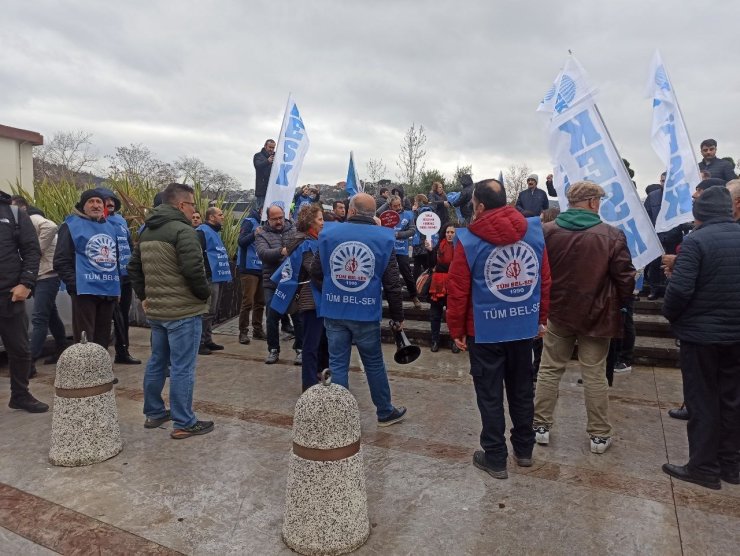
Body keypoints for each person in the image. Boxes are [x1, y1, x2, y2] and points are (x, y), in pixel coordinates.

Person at [448, 179, 551, 479]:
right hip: (522, 327)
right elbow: (543, 280)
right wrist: (540, 319)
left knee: (490, 395)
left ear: (479, 206)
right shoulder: (534, 233)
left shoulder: (467, 241)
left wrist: (456, 330)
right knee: (521, 391)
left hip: (483, 331)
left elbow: (458, 291)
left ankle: (494, 456)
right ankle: (524, 450)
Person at [532, 181, 634, 454]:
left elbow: (538, 272)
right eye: (598, 199)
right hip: (597, 316)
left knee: (550, 369)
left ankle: (540, 426)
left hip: (559, 312)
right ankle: (599, 435)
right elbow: (625, 278)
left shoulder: (547, 232)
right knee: (594, 374)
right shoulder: (611, 235)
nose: (599, 203)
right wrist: (621, 305)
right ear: (591, 202)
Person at [661, 186, 740, 489]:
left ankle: (704, 467)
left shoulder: (696, 242)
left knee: (703, 400)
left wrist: (672, 315)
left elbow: (680, 290)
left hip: (702, 337)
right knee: (732, 399)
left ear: (699, 213)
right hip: (736, 335)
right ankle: (730, 466)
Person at [310, 193, 407, 426]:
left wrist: (333, 290)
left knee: (338, 363)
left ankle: (340, 417)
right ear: (373, 214)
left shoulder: (328, 233)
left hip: (334, 309)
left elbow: (314, 271)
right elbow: (393, 283)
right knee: (373, 362)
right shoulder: (384, 238)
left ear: (351, 211)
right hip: (365, 311)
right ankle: (384, 411)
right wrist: (397, 316)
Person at [128, 182, 214, 440]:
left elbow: (133, 268)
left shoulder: (147, 231)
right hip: (183, 312)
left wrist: (145, 296)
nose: (193, 210)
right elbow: (193, 270)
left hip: (157, 312)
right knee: (182, 368)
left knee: (157, 362)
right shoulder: (183, 231)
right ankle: (184, 422)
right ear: (181, 205)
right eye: (192, 205)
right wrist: (203, 294)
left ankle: (154, 412)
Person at [0, 190, 48, 412]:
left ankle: (20, 395)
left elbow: (31, 250)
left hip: (9, 294)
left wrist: (26, 283)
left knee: (20, 349)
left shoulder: (13, 213)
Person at [54, 189, 121, 347]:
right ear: (82, 206)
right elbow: (60, 260)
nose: (96, 205)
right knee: (85, 340)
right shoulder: (70, 226)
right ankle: (84, 371)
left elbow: (114, 259)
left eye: (99, 202)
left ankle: (101, 370)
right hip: (85, 292)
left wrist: (117, 289)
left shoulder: (110, 228)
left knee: (103, 339)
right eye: (91, 202)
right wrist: (76, 284)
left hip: (108, 291)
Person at [10, 196, 66, 374]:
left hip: (48, 275)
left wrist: (36, 250)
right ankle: (62, 349)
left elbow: (51, 226)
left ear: (23, 207)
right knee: (51, 316)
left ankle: (29, 363)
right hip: (40, 275)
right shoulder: (22, 223)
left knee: (39, 317)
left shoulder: (31, 218)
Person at [255, 204, 303, 365]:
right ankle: (273, 349)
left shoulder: (295, 230)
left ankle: (300, 349)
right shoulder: (261, 234)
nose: (278, 221)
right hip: (272, 282)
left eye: (280, 217)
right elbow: (263, 254)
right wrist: (282, 251)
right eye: (274, 218)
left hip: (292, 281)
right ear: (268, 219)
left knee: (297, 316)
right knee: (271, 317)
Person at [98, 188, 141, 365]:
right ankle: (100, 360)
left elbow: (129, 245)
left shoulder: (121, 220)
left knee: (123, 316)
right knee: (106, 319)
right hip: (107, 277)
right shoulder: (98, 221)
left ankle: (123, 352)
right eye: (105, 200)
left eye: (112, 200)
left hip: (125, 276)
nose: (110, 203)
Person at [289, 205, 328, 391]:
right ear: (311, 222)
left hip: (317, 298)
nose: (323, 223)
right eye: (320, 219)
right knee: (311, 344)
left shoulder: (312, 240)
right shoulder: (305, 244)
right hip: (310, 299)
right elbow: (313, 269)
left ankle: (318, 375)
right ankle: (309, 384)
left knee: (319, 342)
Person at [196, 206, 232, 355]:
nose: (223, 217)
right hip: (208, 277)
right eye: (220, 214)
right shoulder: (202, 232)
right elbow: (198, 253)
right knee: (206, 311)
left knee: (212, 311)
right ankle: (200, 342)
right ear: (211, 217)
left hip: (216, 276)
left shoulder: (214, 232)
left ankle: (208, 340)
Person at [643, 172, 685, 300]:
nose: (664, 183)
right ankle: (654, 289)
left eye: (667, 181)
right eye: (662, 181)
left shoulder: (680, 196)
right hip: (657, 237)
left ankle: (670, 290)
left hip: (674, 236)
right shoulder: (652, 196)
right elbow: (647, 216)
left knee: (673, 264)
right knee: (655, 265)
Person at [382, 195, 420, 309]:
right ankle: (387, 298)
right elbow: (378, 214)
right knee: (388, 274)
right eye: (395, 206)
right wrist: (386, 207)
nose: (398, 207)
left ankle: (414, 296)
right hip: (389, 249)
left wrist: (400, 235)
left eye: (399, 205)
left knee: (407, 273)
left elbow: (413, 230)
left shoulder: (408, 214)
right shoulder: (386, 215)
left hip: (402, 249)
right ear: (390, 206)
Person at [427, 224, 459, 354]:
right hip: (438, 285)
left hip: (454, 286)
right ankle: (435, 340)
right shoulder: (438, 246)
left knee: (454, 316)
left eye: (452, 232)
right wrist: (429, 252)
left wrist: (442, 268)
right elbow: (431, 265)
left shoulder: (461, 248)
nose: (450, 234)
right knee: (435, 315)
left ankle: (455, 341)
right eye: (447, 232)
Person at [236, 205, 266, 344]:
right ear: (260, 210)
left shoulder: (267, 223)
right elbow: (241, 242)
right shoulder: (249, 221)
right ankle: (243, 332)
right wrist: (254, 234)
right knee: (248, 302)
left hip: (262, 268)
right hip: (248, 268)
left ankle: (258, 330)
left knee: (260, 302)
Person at [411, 194, 435, 283]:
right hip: (427, 239)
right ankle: (427, 283)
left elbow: (415, 223)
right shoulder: (430, 209)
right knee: (426, 264)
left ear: (418, 201)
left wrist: (414, 211)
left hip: (419, 240)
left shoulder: (419, 211)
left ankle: (417, 284)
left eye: (415, 201)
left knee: (418, 264)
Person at [253, 139, 276, 211]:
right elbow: (257, 166)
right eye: (270, 147)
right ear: (265, 146)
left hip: (273, 191)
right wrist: (267, 161)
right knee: (261, 213)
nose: (271, 149)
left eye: (273, 148)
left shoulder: (277, 156)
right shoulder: (258, 156)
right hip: (262, 191)